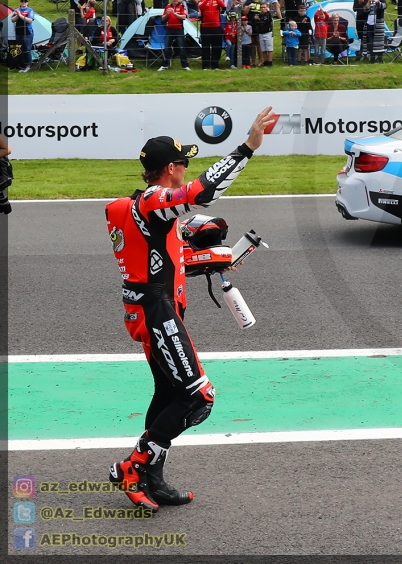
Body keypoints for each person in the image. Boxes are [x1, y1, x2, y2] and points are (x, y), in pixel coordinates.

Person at [105, 107, 275, 511]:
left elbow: (161, 262)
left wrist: (216, 260)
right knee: (200, 398)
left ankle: (152, 477)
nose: (187, 170)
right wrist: (247, 147)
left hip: (148, 308)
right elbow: (202, 193)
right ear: (169, 169)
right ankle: (132, 466)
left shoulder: (133, 208)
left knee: (168, 394)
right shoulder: (154, 203)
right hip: (157, 311)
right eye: (184, 163)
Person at [197, 0, 225, 70]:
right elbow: (201, 7)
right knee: (205, 46)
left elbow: (223, 5)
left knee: (217, 46)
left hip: (216, 26)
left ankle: (215, 64)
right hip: (206, 27)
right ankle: (205, 65)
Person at [160, 0, 190, 71]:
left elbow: (184, 17)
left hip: (179, 29)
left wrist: (176, 15)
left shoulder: (181, 7)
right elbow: (163, 18)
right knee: (167, 48)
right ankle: (165, 65)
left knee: (181, 48)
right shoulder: (167, 6)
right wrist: (167, 14)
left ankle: (185, 65)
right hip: (169, 29)